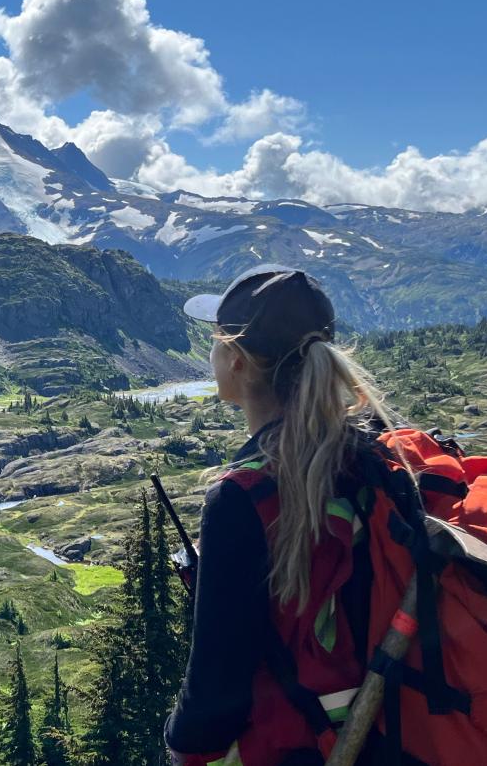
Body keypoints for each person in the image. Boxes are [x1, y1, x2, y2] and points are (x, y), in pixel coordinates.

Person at [164, 264, 397, 766]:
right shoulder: (378, 453)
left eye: (215, 340)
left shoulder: (242, 498)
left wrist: (178, 745)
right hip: (390, 737)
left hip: (301, 748)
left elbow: (214, 697)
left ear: (237, 359)